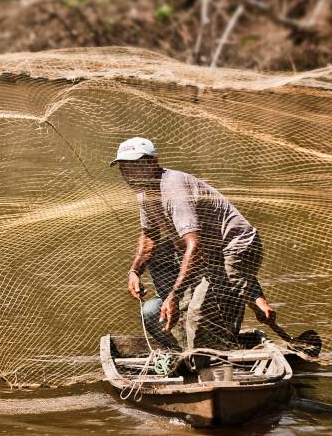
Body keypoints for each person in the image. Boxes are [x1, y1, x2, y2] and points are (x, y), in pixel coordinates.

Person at [111, 136, 277, 352]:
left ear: (152, 162)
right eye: (124, 168)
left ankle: (215, 351)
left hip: (235, 246)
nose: (129, 174)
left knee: (198, 314)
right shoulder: (145, 194)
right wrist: (134, 271)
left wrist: (174, 294)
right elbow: (150, 236)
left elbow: (195, 246)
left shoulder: (173, 187)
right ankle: (193, 352)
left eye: (134, 166)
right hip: (207, 254)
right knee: (163, 313)